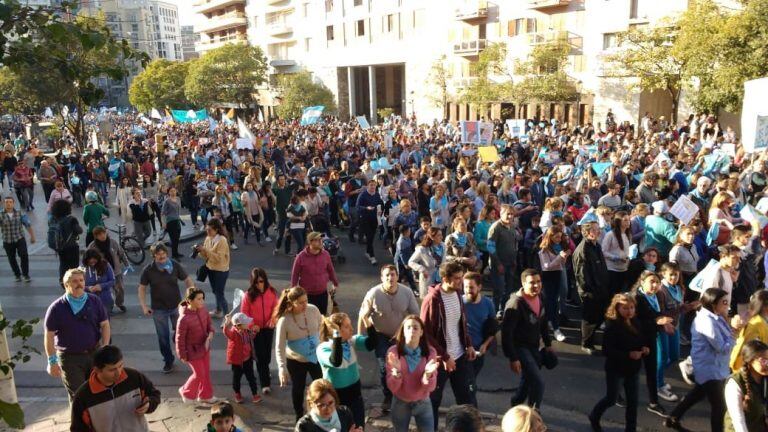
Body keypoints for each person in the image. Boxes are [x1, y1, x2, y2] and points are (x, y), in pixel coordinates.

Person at [664, 288, 736, 432]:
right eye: (724, 303)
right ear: (713, 304)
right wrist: (734, 335)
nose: (727, 306)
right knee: (719, 406)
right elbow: (721, 347)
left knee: (698, 393)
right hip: (710, 370)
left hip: (715, 367)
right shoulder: (706, 321)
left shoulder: (716, 316)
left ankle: (673, 418)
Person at [421, 262, 477, 430]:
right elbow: (426, 334)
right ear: (445, 278)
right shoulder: (432, 300)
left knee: (466, 399)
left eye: (462, 277)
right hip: (440, 361)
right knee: (433, 401)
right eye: (457, 278)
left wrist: (468, 344)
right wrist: (444, 356)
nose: (461, 282)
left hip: (460, 357)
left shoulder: (457, 294)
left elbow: (461, 323)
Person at [358, 264, 420, 411]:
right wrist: (359, 337)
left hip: (401, 335)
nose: (390, 278)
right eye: (387, 275)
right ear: (382, 278)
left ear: (397, 276)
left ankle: (405, 393)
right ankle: (388, 395)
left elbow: (416, 316)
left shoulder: (406, 292)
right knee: (384, 368)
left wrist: (418, 335)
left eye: (393, 274)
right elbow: (363, 315)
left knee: (406, 365)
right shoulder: (373, 293)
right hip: (381, 335)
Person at [44, 268, 110, 401]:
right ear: (66, 285)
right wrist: (52, 361)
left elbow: (105, 325)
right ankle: (80, 421)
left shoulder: (94, 300)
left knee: (99, 391)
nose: (79, 283)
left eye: (81, 280)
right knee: (78, 396)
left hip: (94, 354)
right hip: (70, 359)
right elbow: (49, 336)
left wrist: (105, 347)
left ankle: (96, 421)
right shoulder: (56, 308)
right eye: (74, 281)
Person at [588, 294, 648, 432]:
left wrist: (644, 348)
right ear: (617, 308)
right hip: (616, 370)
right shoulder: (612, 326)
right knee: (611, 399)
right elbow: (607, 350)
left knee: (633, 402)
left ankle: (630, 429)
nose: (629, 311)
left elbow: (641, 339)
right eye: (625, 308)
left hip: (633, 369)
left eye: (632, 308)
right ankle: (594, 416)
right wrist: (628, 354)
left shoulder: (635, 322)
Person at [70, 345, 161, 432]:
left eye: (120, 366)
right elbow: (78, 429)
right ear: (97, 370)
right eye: (112, 370)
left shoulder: (134, 377)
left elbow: (154, 394)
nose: (119, 372)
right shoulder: (83, 396)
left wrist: (149, 404)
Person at [139, 243, 196, 374]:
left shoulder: (174, 265)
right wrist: (144, 305)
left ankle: (177, 342)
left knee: (180, 332)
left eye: (163, 253)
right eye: (158, 254)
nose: (162, 256)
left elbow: (187, 280)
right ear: (154, 256)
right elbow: (142, 288)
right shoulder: (148, 270)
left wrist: (191, 296)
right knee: (162, 337)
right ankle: (168, 360)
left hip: (177, 306)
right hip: (159, 309)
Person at [502, 269, 553, 409]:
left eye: (538, 282)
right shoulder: (515, 304)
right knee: (538, 382)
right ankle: (533, 414)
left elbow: (542, 322)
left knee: (528, 379)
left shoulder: (540, 297)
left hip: (534, 346)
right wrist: (513, 358)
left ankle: (516, 403)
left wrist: (548, 344)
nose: (536, 285)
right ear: (523, 284)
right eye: (532, 283)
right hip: (520, 348)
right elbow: (506, 334)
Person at [317, 312, 377, 427]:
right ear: (337, 330)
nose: (352, 328)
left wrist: (368, 322)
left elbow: (371, 344)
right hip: (336, 396)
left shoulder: (351, 341)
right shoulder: (323, 348)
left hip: (355, 393)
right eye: (347, 326)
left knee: (358, 426)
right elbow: (336, 361)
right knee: (340, 427)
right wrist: (337, 337)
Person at [275, 286, 324, 420]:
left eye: (306, 301)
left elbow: (322, 329)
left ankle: (321, 412)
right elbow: (279, 347)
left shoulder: (313, 309)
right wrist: (281, 368)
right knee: (298, 389)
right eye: (301, 302)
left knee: (322, 386)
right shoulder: (284, 320)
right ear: (292, 303)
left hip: (315, 357)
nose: (305, 305)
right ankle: (299, 415)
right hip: (296, 361)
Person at [385, 315, 439, 432]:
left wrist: (427, 375)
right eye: (408, 327)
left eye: (415, 328)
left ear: (421, 332)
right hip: (400, 403)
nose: (412, 331)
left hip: (423, 403)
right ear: (403, 331)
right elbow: (392, 388)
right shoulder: (393, 352)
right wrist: (397, 374)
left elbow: (431, 387)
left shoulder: (430, 352)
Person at [632, 271, 675, 415]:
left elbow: (656, 313)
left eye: (657, 282)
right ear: (642, 282)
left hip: (650, 337)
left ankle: (654, 403)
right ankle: (617, 395)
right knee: (631, 371)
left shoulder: (655, 295)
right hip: (635, 340)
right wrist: (657, 321)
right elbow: (635, 322)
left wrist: (663, 322)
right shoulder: (636, 299)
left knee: (651, 370)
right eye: (651, 282)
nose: (655, 285)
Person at [239, 267, 279, 396]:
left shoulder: (271, 292)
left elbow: (276, 308)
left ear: (265, 280)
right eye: (256, 282)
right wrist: (252, 325)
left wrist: (273, 320)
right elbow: (244, 313)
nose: (259, 284)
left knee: (266, 354)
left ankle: (265, 371)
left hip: (268, 328)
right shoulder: (248, 295)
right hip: (255, 330)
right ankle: (265, 384)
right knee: (260, 357)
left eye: (261, 281)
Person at [573, 220, 610, 355]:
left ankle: (592, 338)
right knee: (589, 318)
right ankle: (586, 343)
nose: (598, 232)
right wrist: (589, 290)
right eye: (594, 230)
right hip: (590, 291)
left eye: (598, 229)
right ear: (586, 232)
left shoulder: (597, 246)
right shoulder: (582, 250)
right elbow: (581, 275)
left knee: (599, 315)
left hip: (601, 288)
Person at [176, 287, 217, 404]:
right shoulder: (183, 319)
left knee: (206, 373)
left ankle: (205, 395)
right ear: (190, 300)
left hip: (205, 347)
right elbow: (179, 339)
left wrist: (211, 333)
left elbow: (210, 325)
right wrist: (182, 355)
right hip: (192, 351)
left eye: (202, 298)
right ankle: (185, 391)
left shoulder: (203, 310)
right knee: (199, 374)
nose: (202, 301)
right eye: (199, 299)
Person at [290, 231, 339, 316]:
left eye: (321, 240)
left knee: (322, 318)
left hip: (323, 294)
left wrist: (335, 283)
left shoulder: (326, 254)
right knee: (308, 318)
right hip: (307, 296)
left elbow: (331, 270)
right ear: (310, 242)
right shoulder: (300, 257)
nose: (321, 242)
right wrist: (293, 291)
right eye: (317, 240)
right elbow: (295, 275)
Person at [723, 340, 768, 432]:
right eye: (763, 360)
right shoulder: (734, 383)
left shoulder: (765, 377)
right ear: (750, 360)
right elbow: (738, 420)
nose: (767, 364)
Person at [538, 225, 570, 342]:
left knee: (554, 302)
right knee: (549, 302)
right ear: (550, 237)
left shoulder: (558, 247)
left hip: (557, 275)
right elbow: (546, 267)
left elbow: (560, 264)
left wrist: (564, 258)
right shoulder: (544, 250)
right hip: (548, 277)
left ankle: (552, 323)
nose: (559, 239)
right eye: (556, 237)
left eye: (560, 237)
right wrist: (559, 257)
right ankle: (554, 327)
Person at [462, 271, 497, 377]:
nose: (468, 290)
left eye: (471, 287)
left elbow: (493, 328)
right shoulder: (459, 302)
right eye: (465, 287)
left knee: (471, 380)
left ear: (479, 287)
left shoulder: (488, 304)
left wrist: (485, 345)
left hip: (479, 350)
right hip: (462, 350)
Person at [295, 378, 362, 432]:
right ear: (311, 404)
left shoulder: (344, 413)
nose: (328, 409)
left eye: (330, 403)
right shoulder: (303, 426)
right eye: (321, 405)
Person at [195, 219, 231, 318]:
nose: (207, 232)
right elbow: (206, 256)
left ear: (216, 230)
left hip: (221, 271)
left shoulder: (222, 241)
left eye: (210, 230)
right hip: (210, 269)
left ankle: (227, 316)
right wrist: (199, 251)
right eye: (207, 229)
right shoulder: (208, 238)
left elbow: (219, 258)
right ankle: (218, 310)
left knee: (219, 293)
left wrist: (205, 249)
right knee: (215, 291)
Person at [488, 204, 520, 317]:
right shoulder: (495, 228)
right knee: (499, 290)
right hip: (499, 264)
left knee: (509, 289)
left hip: (510, 263)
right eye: (508, 214)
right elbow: (491, 248)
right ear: (501, 214)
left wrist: (514, 259)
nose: (510, 216)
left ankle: (503, 308)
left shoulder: (512, 227)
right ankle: (494, 311)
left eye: (512, 214)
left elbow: (514, 244)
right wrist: (498, 264)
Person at [222, 312, 260, 404]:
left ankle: (255, 394)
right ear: (238, 325)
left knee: (251, 378)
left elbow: (251, 337)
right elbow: (226, 332)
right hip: (237, 362)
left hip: (248, 359)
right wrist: (226, 323)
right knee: (236, 379)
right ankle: (237, 394)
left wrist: (255, 331)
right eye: (246, 323)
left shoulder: (247, 331)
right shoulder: (233, 334)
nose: (248, 324)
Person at [88, 226, 128, 314]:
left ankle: (119, 303)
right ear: (96, 236)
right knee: (105, 291)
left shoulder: (113, 243)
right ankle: (108, 307)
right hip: (101, 273)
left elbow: (121, 253)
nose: (102, 236)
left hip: (116, 270)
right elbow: (88, 258)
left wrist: (127, 264)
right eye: (99, 235)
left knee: (120, 289)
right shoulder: (92, 246)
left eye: (103, 233)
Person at [730, 290, 768, 371]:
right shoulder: (757, 324)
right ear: (765, 307)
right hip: (749, 369)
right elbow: (750, 351)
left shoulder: (758, 321)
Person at [0, 195, 34, 282]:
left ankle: (26, 274)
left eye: (10, 202)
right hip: (7, 240)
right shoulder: (1, 214)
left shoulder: (20, 213)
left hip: (19, 238)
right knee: (11, 258)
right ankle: (17, 274)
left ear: (13, 203)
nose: (8, 204)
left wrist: (32, 236)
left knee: (24, 255)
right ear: (4, 204)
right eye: (6, 202)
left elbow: (27, 225)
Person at [50, 199, 83, 282]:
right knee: (74, 266)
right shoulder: (71, 219)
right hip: (72, 246)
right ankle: (74, 281)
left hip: (60, 247)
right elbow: (79, 231)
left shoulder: (52, 219)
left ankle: (63, 280)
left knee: (63, 263)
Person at [409, 227, 442, 299]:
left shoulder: (443, 246)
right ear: (432, 237)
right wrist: (422, 269)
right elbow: (411, 262)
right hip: (429, 278)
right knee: (429, 301)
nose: (441, 237)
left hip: (441, 278)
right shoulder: (422, 249)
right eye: (439, 235)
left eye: (441, 235)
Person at [357, 179, 384, 265]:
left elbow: (380, 204)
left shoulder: (377, 194)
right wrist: (366, 208)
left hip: (374, 218)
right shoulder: (363, 194)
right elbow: (358, 206)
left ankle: (368, 252)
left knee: (371, 237)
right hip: (365, 218)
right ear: (368, 186)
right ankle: (372, 257)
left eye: (374, 185)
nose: (373, 187)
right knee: (369, 236)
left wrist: (381, 211)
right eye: (371, 185)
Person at [82, 248, 116, 315]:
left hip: (105, 299)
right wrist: (88, 288)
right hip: (88, 301)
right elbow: (78, 285)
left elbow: (113, 280)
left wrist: (101, 286)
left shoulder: (106, 265)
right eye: (90, 260)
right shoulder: (82, 269)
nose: (92, 261)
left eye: (94, 259)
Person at [161, 185, 184, 259]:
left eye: (174, 190)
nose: (173, 192)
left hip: (177, 221)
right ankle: (174, 255)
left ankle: (176, 252)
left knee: (177, 239)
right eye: (171, 191)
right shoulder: (167, 201)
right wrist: (164, 223)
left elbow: (178, 210)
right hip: (170, 222)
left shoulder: (178, 199)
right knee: (174, 239)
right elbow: (163, 213)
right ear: (169, 192)